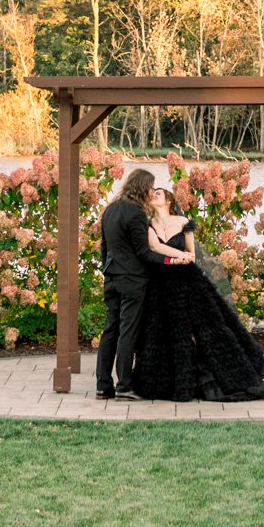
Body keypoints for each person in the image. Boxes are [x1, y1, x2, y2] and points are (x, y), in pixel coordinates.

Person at [131, 186, 264, 402]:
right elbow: (155, 248)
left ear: (168, 200)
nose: (154, 196)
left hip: (188, 281)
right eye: (152, 194)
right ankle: (174, 383)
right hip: (161, 285)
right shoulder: (150, 226)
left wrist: (183, 257)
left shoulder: (183, 222)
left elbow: (192, 254)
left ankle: (218, 377)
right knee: (165, 333)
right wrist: (179, 255)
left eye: (158, 193)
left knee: (207, 328)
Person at [96, 167, 161, 400]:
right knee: (127, 331)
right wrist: (169, 259)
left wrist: (108, 271)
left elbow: (105, 248)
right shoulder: (136, 214)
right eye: (151, 187)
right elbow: (143, 253)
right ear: (143, 187)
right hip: (132, 280)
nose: (153, 192)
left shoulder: (110, 210)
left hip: (111, 277)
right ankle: (124, 385)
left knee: (110, 330)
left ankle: (103, 385)